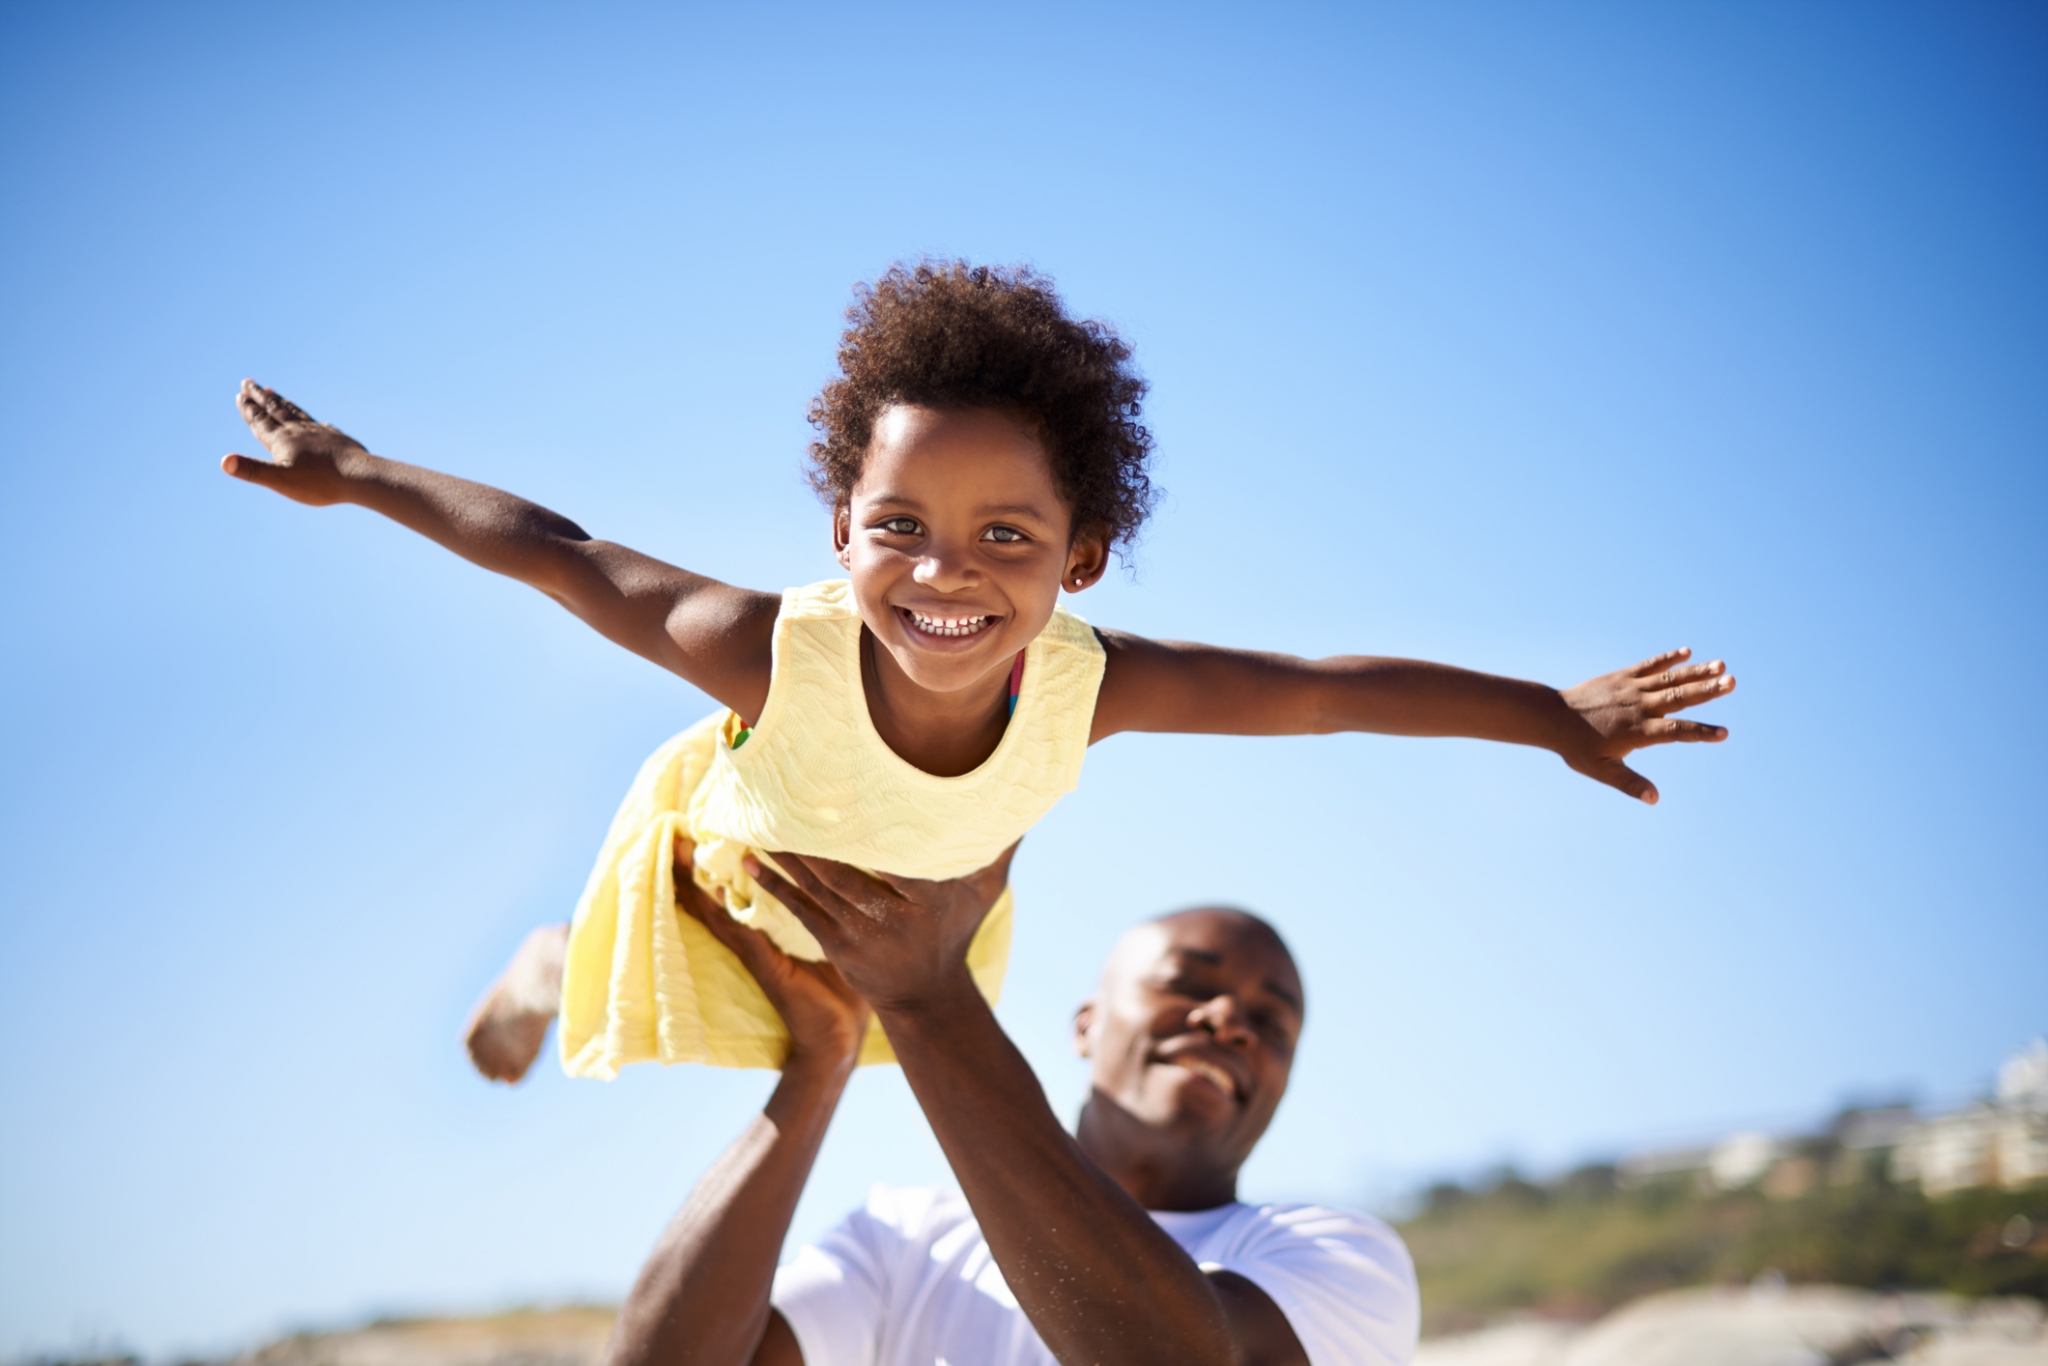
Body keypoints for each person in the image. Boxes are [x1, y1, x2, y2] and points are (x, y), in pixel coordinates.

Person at [222, 260, 1735, 1085]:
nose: (946, 571)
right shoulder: (765, 647)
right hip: (722, 881)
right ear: (841, 525)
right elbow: (558, 549)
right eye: (903, 527)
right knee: (696, 995)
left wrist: (1543, 714)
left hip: (917, 917)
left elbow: (1318, 688)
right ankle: (561, 958)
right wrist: (358, 471)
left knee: (843, 1038)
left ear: (1080, 556)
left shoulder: (1091, 680)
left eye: (1004, 532)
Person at [602, 844, 1419, 1366]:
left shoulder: (1333, 1260)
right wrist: (820, 1066)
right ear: (1087, 1025)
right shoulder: (906, 1241)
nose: (1230, 1022)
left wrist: (929, 1000)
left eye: (1271, 1022)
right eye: (1188, 985)